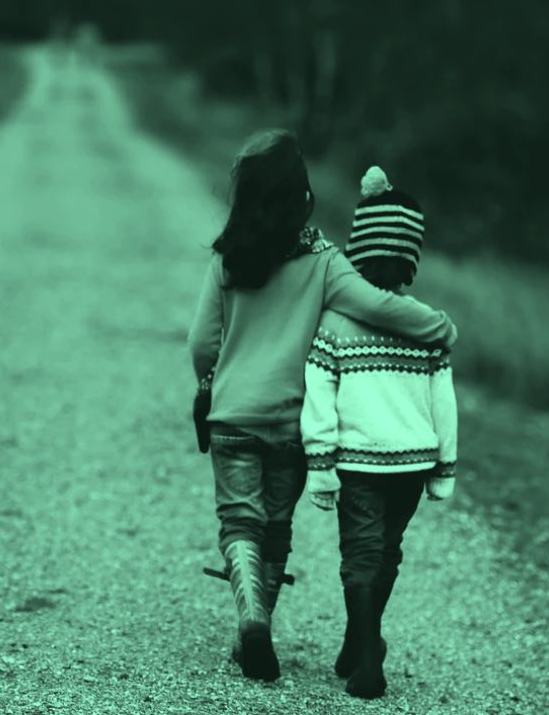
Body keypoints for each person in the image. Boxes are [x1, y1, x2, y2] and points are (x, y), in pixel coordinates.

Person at [186, 132, 458, 682]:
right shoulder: (325, 262)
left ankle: (252, 618)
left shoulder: (227, 259)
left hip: (233, 417)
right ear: (302, 198)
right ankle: (259, 624)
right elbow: (379, 306)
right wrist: (440, 327)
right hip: (291, 423)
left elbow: (201, 343)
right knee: (275, 528)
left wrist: (212, 384)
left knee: (239, 521)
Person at [301, 166, 458, 699]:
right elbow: (443, 403)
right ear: (411, 259)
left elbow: (319, 395)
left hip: (359, 462)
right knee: (387, 551)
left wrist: (320, 464)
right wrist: (444, 467)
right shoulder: (425, 325)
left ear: (357, 251)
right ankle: (361, 641)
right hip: (412, 463)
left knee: (360, 555)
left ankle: (367, 657)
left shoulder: (335, 323)